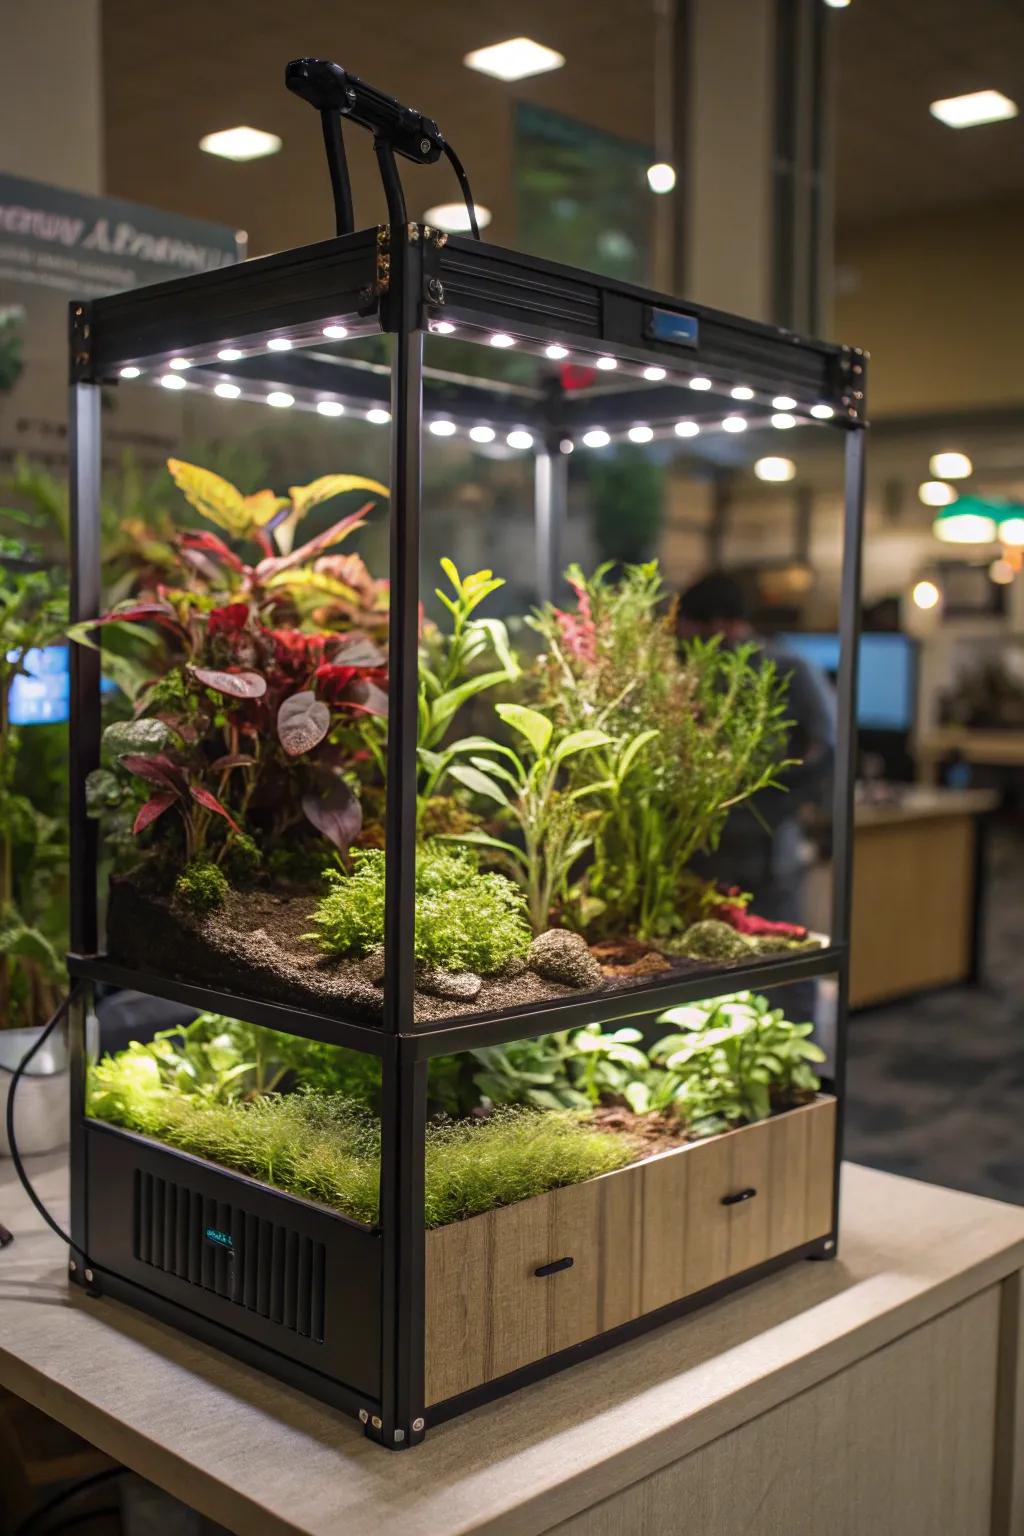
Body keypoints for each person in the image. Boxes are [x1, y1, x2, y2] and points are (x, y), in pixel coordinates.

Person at [676, 571, 836, 936]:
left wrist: (780, 789)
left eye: (687, 626)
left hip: (767, 843)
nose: (680, 638)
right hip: (705, 850)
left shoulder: (786, 667)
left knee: (777, 945)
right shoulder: (698, 672)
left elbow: (827, 745)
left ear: (719, 624)